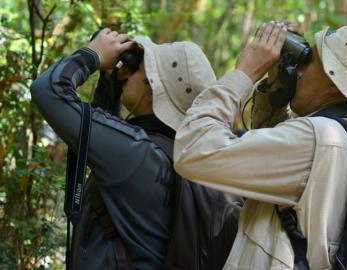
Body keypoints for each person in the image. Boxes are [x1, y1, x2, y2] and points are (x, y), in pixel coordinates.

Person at [173, 21, 347, 269]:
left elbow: (192, 150)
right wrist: (279, 86)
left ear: (334, 83)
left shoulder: (315, 138)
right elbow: (278, 154)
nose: (299, 70)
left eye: (309, 60)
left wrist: (244, 73)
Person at [30, 29, 219, 269]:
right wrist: (110, 89)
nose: (129, 70)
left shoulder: (136, 153)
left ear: (153, 92)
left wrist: (92, 55)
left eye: (139, 67)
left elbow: (47, 90)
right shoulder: (175, 155)